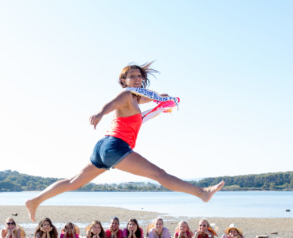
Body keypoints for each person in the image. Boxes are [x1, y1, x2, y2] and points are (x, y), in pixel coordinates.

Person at [25, 62, 224, 222]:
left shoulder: (136, 99)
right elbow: (112, 103)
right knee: (159, 174)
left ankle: (35, 201)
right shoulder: (126, 95)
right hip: (115, 147)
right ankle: (202, 193)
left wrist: (164, 99)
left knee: (73, 182)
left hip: (103, 146)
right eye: (132, 76)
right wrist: (100, 113)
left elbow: (156, 98)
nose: (136, 79)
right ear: (124, 80)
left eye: (139, 76)